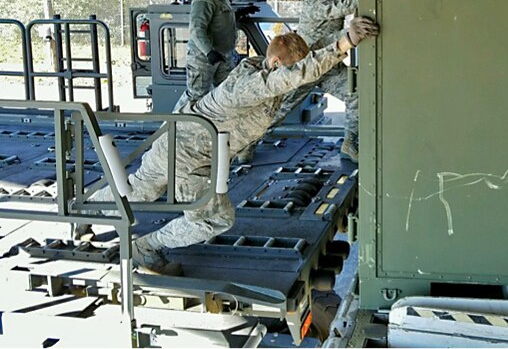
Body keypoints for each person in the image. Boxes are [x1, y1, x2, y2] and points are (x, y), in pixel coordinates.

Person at [86, 17, 379, 275]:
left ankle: (86, 211)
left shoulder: (258, 70)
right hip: (190, 159)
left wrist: (340, 39)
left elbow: (299, 68)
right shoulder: (250, 86)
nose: (289, 79)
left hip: (182, 146)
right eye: (287, 71)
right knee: (214, 219)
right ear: (277, 65)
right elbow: (297, 75)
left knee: (139, 190)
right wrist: (345, 41)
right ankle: (147, 246)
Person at [296, 0, 361, 161]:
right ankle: (246, 146)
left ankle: (349, 143)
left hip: (327, 64)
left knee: (355, 93)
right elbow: (341, 8)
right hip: (306, 67)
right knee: (278, 109)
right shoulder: (316, 1)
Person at [184, 0, 238, 101]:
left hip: (222, 55)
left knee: (225, 94)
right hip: (203, 57)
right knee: (197, 96)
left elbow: (219, 18)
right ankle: (181, 121)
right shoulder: (204, 0)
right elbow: (197, 29)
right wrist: (209, 52)